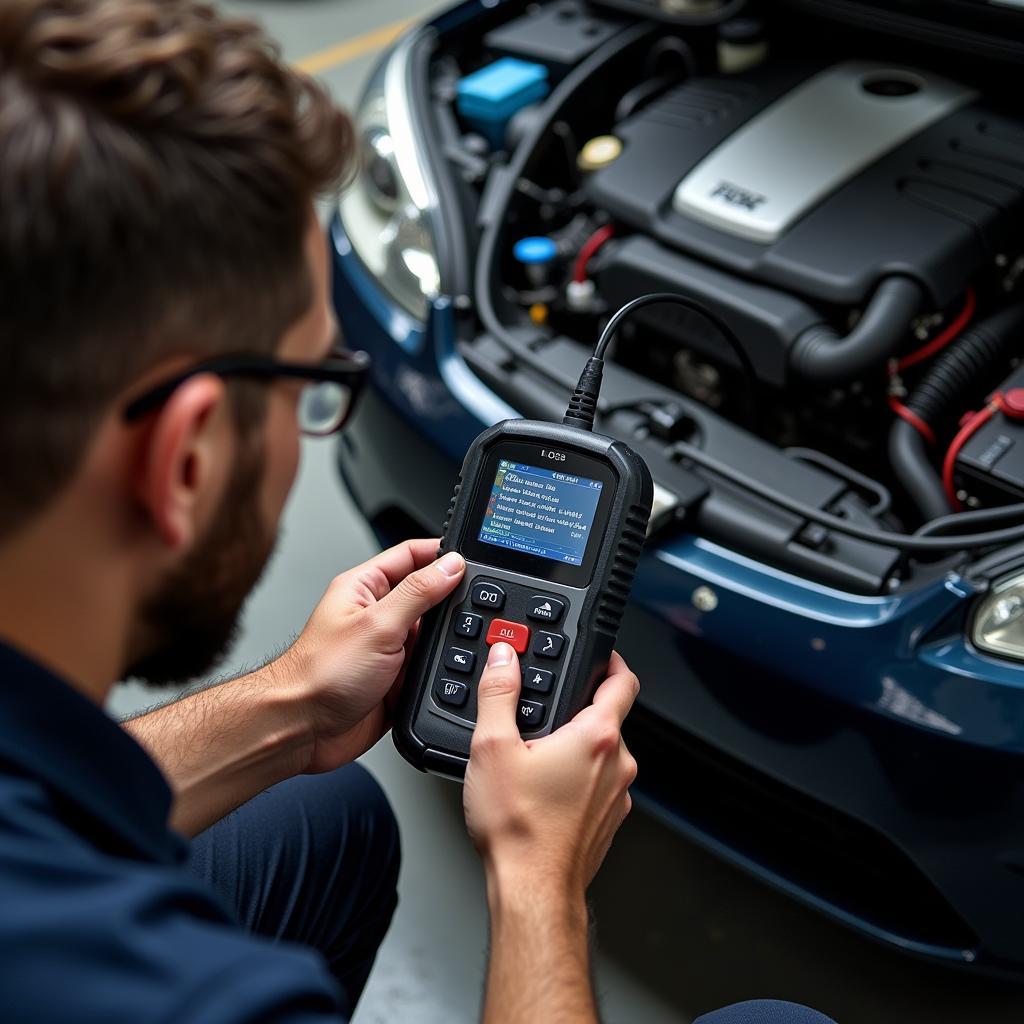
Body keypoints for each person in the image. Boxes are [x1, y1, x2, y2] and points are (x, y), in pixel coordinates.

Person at [0, 2, 837, 1022]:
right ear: (187, 459)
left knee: (318, 810)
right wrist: (536, 876)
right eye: (313, 386)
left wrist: (291, 705)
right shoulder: (171, 992)